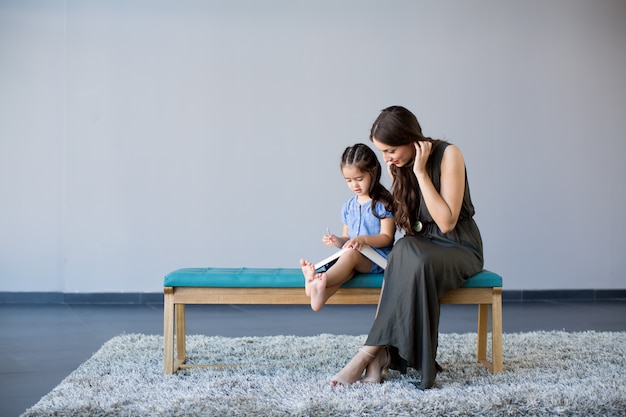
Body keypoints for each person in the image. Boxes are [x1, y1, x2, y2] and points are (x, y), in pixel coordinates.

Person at [329, 106, 484, 389]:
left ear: (408, 138)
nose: (386, 158)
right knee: (403, 249)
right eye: (383, 152)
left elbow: (446, 222)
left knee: (414, 257)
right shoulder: (400, 165)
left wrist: (421, 173)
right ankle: (376, 358)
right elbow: (409, 225)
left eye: (390, 150)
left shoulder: (449, 155)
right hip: (423, 245)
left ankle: (368, 354)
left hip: (458, 247)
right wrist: (399, 180)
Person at [300, 143, 395, 312]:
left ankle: (317, 280)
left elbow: (387, 237)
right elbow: (347, 240)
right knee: (347, 261)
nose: (354, 185)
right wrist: (337, 240)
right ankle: (321, 295)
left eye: (359, 179)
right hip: (354, 257)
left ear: (373, 172)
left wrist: (362, 240)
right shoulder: (348, 206)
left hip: (377, 259)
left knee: (350, 255)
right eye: (349, 181)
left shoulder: (383, 204)